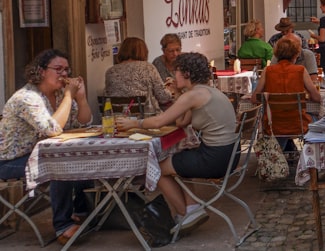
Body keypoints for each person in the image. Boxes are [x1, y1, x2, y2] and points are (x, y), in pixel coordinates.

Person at [116, 52, 239, 229]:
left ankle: (186, 213)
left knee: (156, 166)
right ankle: (191, 207)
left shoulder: (193, 96)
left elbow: (160, 121)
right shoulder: (203, 92)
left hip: (215, 158)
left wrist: (134, 123)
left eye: (176, 71)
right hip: (228, 155)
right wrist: (177, 93)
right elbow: (181, 122)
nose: (174, 75)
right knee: (181, 154)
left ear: (186, 73)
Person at [0, 50, 93, 244]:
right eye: (58, 69)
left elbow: (83, 123)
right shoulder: (27, 98)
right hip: (9, 160)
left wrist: (81, 98)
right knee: (58, 162)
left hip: (37, 154)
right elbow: (52, 129)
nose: (64, 74)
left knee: (80, 155)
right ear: (41, 72)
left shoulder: (59, 95)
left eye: (67, 70)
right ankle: (63, 225)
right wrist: (69, 95)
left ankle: (83, 211)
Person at [254, 37, 321, 144]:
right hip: (298, 125)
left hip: (272, 125)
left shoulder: (268, 71)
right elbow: (317, 98)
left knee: (278, 120)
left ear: (276, 54)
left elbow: (255, 98)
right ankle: (310, 153)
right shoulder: (300, 70)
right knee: (317, 118)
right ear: (295, 54)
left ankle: (284, 151)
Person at [104, 36, 174, 113]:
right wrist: (171, 90)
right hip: (146, 116)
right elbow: (163, 97)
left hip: (118, 117)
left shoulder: (110, 71)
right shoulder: (148, 67)